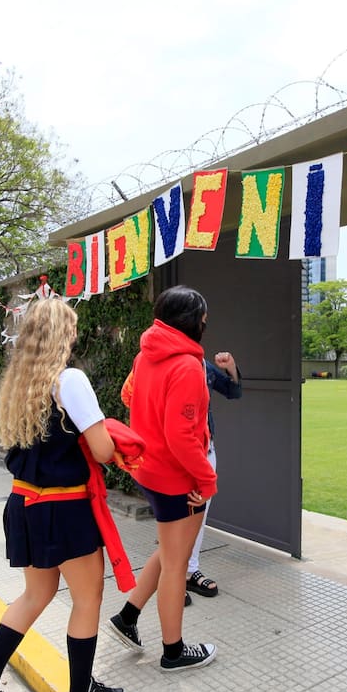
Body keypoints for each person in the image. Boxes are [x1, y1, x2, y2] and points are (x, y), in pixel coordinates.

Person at [0, 298, 125, 692]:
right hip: (65, 507)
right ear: (61, 335)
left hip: (23, 503)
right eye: (70, 330)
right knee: (88, 599)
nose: (73, 337)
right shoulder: (69, 380)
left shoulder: (17, 383)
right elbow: (104, 449)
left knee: (35, 595)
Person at [107, 285, 219, 671]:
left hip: (148, 469)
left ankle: (127, 617)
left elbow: (127, 395)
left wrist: (150, 410)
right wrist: (207, 481)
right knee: (177, 563)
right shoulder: (187, 365)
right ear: (193, 322)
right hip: (177, 476)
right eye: (204, 319)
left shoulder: (145, 357)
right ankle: (173, 651)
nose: (206, 324)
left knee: (170, 550)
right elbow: (182, 436)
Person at [184, 351, 242, 602]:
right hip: (176, 454)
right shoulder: (158, 362)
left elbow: (233, 391)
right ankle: (172, 578)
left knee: (199, 515)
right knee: (177, 518)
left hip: (206, 450)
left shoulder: (201, 364)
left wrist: (231, 367)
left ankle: (189, 571)